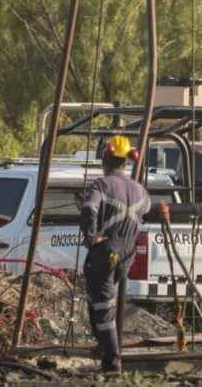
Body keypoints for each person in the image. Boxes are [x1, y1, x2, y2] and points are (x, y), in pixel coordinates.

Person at [80, 135, 151, 374]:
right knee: (96, 297)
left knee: (102, 307)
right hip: (126, 256)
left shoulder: (101, 185)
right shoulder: (140, 190)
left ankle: (112, 365)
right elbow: (148, 209)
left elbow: (89, 208)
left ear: (106, 157)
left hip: (105, 251)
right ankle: (102, 346)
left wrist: (91, 238)